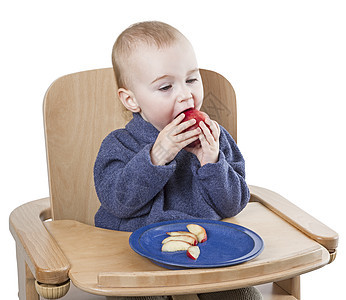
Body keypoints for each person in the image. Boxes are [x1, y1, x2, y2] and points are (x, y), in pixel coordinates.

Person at [94, 21, 262, 300]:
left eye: (192, 79)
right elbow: (117, 202)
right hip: (134, 259)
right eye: (165, 87)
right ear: (131, 100)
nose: (186, 94)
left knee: (245, 297)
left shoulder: (213, 138)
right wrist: (155, 157)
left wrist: (213, 163)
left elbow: (235, 204)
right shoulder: (119, 144)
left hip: (207, 254)